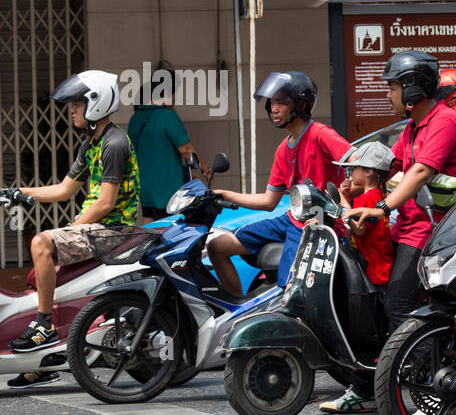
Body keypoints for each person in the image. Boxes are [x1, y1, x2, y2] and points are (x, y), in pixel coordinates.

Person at [321, 50, 456, 414]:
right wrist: (354, 187)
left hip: (432, 233)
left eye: (391, 88)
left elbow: (420, 172)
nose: (387, 96)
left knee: (400, 304)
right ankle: (367, 385)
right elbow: (391, 167)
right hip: (407, 229)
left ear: (412, 88)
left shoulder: (444, 121)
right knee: (370, 303)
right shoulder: (412, 128)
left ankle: (443, 389)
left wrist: (381, 207)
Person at [11, 71, 141, 384]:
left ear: (97, 103)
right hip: (96, 229)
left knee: (42, 243)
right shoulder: (91, 145)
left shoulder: (114, 143)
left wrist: (72, 227)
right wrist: (18, 192)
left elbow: (105, 204)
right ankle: (46, 360)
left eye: (78, 103)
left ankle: (44, 327)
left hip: (113, 233)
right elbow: (64, 189)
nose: (72, 110)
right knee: (38, 277)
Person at [206, 71, 351, 296]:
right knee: (217, 247)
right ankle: (237, 310)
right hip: (291, 220)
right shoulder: (284, 149)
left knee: (290, 290)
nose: (274, 108)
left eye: (282, 102)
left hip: (319, 224)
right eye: (272, 102)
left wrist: (345, 198)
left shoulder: (321, 134)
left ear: (302, 105)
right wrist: (225, 194)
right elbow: (268, 201)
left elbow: (357, 161)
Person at [127, 75, 208, 220]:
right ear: (164, 95)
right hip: (167, 189)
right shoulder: (167, 116)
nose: (175, 98)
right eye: (173, 94)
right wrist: (205, 170)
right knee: (170, 229)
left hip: (144, 186)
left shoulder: (135, 118)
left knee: (148, 225)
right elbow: (186, 150)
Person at [336, 142, 396, 287]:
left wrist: (342, 198)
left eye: (354, 169)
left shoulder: (368, 197)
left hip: (375, 266)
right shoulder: (377, 194)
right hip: (379, 260)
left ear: (369, 171)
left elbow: (359, 229)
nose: (350, 175)